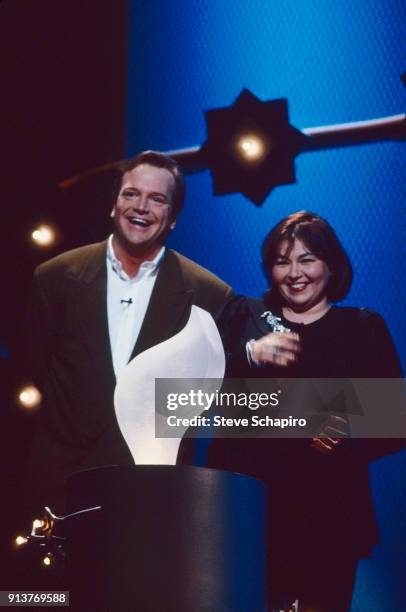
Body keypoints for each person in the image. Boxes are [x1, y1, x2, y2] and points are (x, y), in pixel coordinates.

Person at [202, 211, 404, 611]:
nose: (294, 273)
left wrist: (348, 431)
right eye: (281, 261)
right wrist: (247, 354)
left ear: (331, 265)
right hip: (249, 510)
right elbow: (196, 392)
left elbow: (396, 422)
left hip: (327, 513)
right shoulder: (245, 316)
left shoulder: (362, 328)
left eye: (306, 259)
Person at [23, 150, 232, 517]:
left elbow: (212, 393)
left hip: (150, 487)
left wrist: (345, 411)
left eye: (157, 199)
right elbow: (34, 368)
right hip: (62, 481)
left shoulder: (208, 293)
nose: (141, 207)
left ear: (173, 218)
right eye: (131, 194)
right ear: (114, 204)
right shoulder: (55, 277)